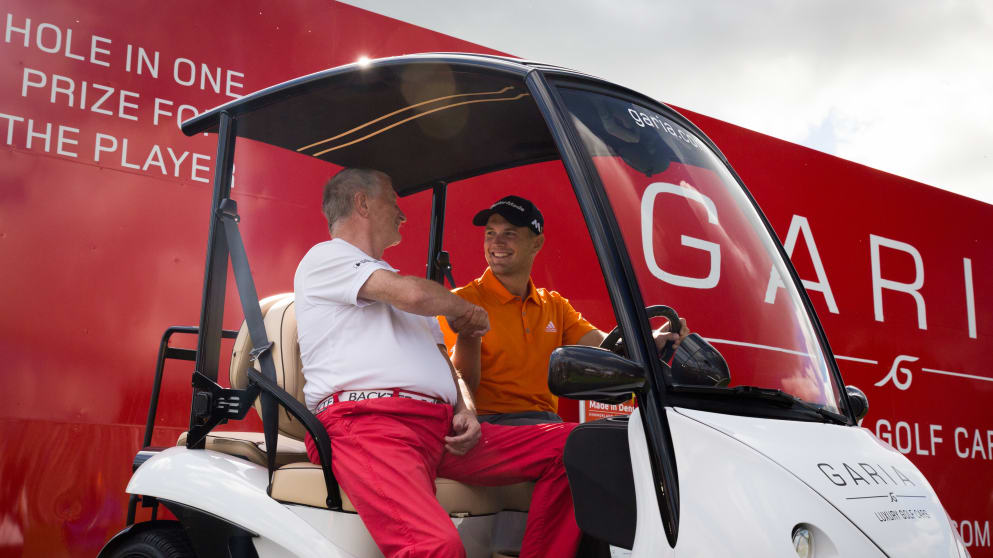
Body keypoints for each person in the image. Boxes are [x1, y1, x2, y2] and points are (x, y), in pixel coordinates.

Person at [294, 169, 581, 558]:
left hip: (440, 430)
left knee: (577, 446)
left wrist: (466, 409)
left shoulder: (390, 282)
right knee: (435, 547)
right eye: (393, 201)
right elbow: (413, 293)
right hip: (369, 424)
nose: (402, 214)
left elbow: (447, 365)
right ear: (361, 203)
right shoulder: (327, 258)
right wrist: (467, 310)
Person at [442, 195, 688, 425]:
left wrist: (650, 340)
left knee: (613, 442)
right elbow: (454, 387)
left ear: (537, 243)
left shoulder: (554, 305)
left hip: (544, 425)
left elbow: (607, 347)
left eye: (510, 233)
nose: (496, 242)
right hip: (490, 426)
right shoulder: (461, 302)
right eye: (490, 233)